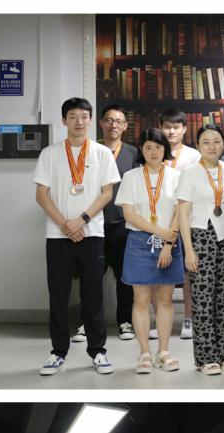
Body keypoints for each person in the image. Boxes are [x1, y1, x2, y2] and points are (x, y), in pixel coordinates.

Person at [33, 96, 119, 376]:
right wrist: (65, 225)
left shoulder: (102, 153)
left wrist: (81, 220)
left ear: (90, 120)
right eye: (72, 117)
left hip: (92, 233)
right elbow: (41, 194)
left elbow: (107, 193)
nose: (79, 122)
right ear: (64, 121)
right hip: (57, 236)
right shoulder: (50, 154)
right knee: (58, 295)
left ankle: (98, 351)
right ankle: (58, 352)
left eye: (83, 116)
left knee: (93, 295)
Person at [116, 127, 185, 374]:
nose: (153, 152)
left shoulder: (177, 176)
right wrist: (160, 233)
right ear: (141, 150)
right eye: (148, 147)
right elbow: (129, 214)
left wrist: (168, 242)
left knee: (165, 299)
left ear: (165, 149)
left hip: (170, 241)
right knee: (141, 299)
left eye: (158, 147)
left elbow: (180, 211)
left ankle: (164, 352)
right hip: (140, 242)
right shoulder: (131, 177)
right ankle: (144, 352)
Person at [177, 124, 224, 375]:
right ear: (198, 146)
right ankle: (205, 358)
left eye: (216, 141)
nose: (212, 146)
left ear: (223, 144)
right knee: (202, 299)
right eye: (206, 142)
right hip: (200, 236)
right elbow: (182, 213)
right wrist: (189, 250)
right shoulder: (189, 172)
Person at [98, 104, 138, 342]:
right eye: (109, 120)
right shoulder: (91, 150)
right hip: (94, 223)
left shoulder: (133, 153)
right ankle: (86, 323)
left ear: (125, 126)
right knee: (92, 276)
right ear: (101, 123)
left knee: (125, 277)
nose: (114, 125)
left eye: (119, 121)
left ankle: (125, 322)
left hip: (123, 225)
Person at [162, 108, 201, 340]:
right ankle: (162, 321)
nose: (171, 131)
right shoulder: (156, 151)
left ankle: (188, 319)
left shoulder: (193, 156)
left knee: (188, 273)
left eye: (176, 127)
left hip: (187, 219)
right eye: (167, 127)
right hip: (160, 220)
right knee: (161, 270)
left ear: (184, 129)